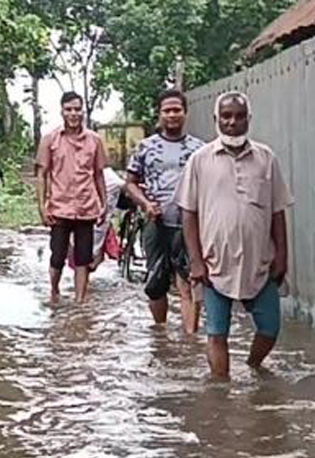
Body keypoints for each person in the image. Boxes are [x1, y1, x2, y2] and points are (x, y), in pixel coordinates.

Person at [177, 91, 293, 378]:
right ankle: (221, 391)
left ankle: (254, 367)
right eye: (226, 116)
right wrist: (196, 261)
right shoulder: (199, 160)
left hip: (260, 262)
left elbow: (278, 211)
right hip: (214, 263)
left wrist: (282, 256)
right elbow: (188, 213)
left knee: (269, 329)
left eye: (239, 116)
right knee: (217, 333)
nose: (233, 122)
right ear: (217, 120)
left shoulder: (266, 159)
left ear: (248, 120)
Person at [123, 89, 205, 332]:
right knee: (156, 283)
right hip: (156, 223)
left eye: (176, 110)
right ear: (159, 114)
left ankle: (189, 341)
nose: (172, 115)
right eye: (167, 110)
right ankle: (161, 334)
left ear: (185, 113)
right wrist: (145, 204)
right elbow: (129, 183)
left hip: (189, 226)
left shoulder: (199, 149)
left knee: (189, 281)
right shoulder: (146, 147)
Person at [35, 91, 109, 304]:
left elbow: (98, 175)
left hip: (86, 207)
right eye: (69, 109)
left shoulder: (95, 140)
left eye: (77, 109)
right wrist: (42, 206)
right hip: (59, 207)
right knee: (57, 256)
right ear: (62, 111)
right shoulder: (50, 139)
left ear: (83, 111)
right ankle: (54, 292)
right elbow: (42, 175)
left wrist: (103, 204)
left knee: (83, 258)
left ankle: (80, 301)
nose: (73, 113)